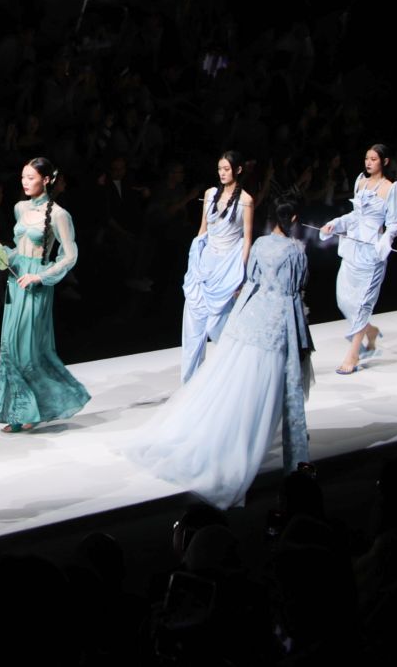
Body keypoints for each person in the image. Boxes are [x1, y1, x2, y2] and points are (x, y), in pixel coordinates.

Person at [126, 198, 313, 508]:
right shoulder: (295, 251)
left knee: (240, 386)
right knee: (276, 390)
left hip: (250, 319)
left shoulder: (261, 244)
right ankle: (290, 465)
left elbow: (252, 279)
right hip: (279, 322)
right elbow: (296, 288)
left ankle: (225, 441)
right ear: (293, 218)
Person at [0, 157, 90, 431]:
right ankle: (18, 412)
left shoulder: (59, 214)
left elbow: (69, 255)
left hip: (36, 283)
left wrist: (41, 276)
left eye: (31, 177)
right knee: (10, 346)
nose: (25, 182)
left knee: (27, 349)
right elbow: (19, 249)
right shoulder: (20, 207)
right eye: (23, 177)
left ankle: (38, 408)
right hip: (16, 279)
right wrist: (2, 255)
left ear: (46, 180)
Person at [320, 144, 397, 372]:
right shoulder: (360, 182)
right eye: (367, 158)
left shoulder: (391, 188)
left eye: (373, 159)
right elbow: (356, 215)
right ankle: (370, 331)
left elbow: (394, 223)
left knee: (363, 303)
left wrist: (386, 239)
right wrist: (336, 224)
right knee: (344, 300)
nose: (368, 162)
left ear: (384, 161)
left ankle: (353, 356)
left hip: (372, 253)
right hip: (353, 249)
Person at [181, 153, 255, 381]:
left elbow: (247, 239)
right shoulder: (210, 194)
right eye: (220, 168)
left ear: (238, 170)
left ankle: (234, 375)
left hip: (226, 270)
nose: (222, 173)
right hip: (203, 266)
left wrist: (241, 275)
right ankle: (190, 382)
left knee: (218, 326)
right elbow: (203, 230)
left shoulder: (246, 200)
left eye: (227, 169)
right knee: (192, 327)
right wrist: (194, 263)